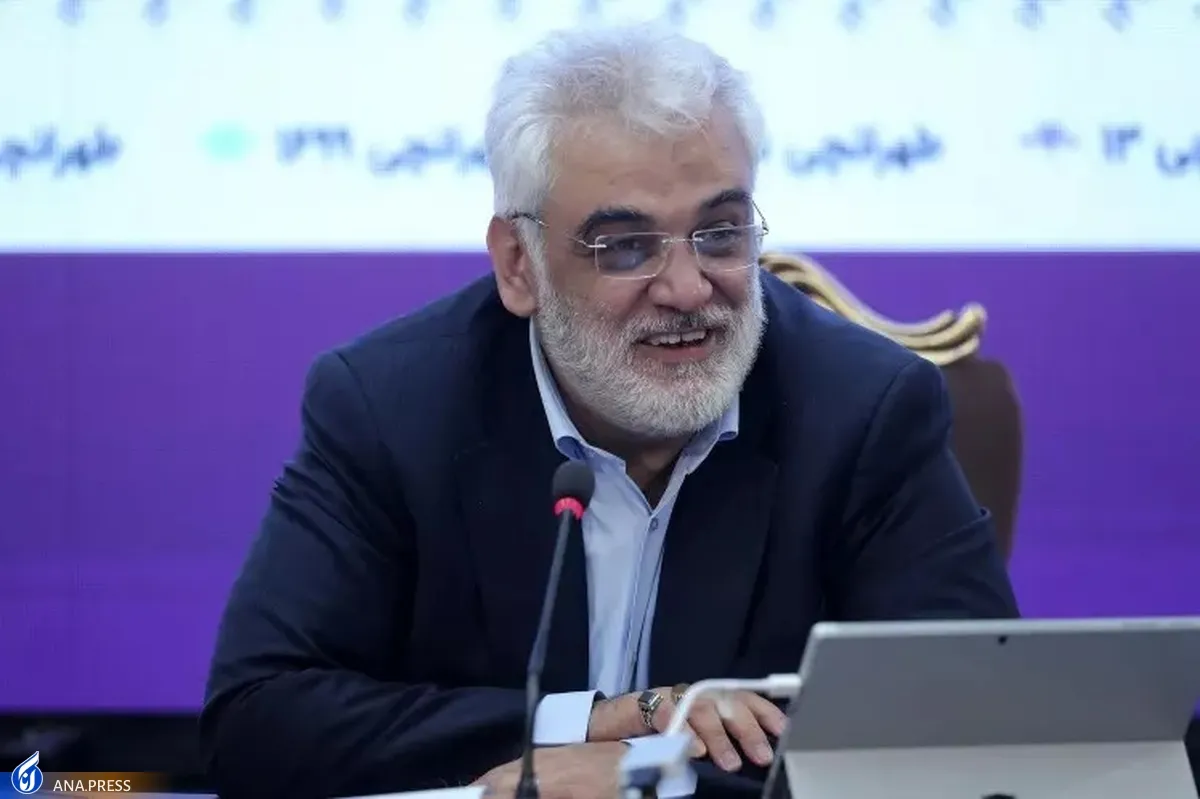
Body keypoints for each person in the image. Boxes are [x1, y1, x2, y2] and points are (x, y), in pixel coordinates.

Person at [200, 21, 1019, 799]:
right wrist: (590, 726)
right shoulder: (391, 407)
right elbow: (260, 720)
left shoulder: (862, 409)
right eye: (625, 246)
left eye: (721, 232)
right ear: (519, 265)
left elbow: (975, 724)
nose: (688, 289)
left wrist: (658, 780)